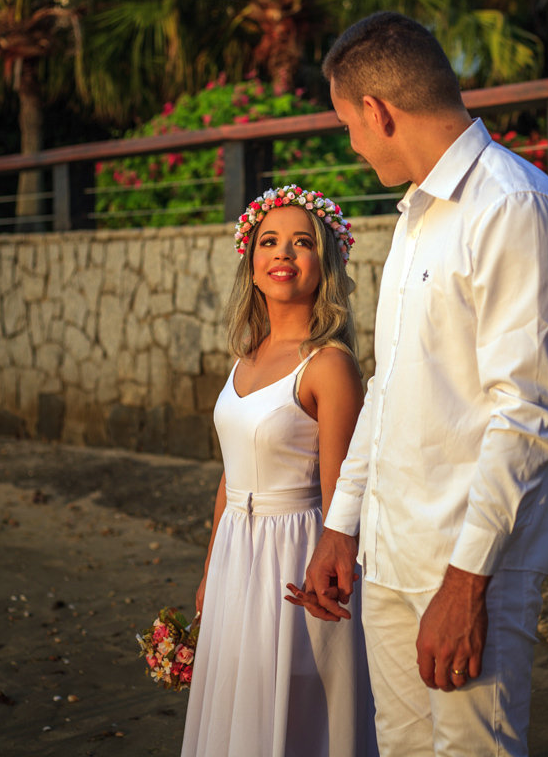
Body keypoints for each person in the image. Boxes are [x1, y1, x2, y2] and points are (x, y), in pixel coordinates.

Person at [287, 12, 548, 756]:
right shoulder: (418, 215)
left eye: (347, 125)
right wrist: (341, 525)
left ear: (378, 112)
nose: (351, 144)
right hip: (391, 551)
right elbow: (388, 389)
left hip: (469, 557)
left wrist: (466, 582)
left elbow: (531, 413)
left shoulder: (514, 206)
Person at [182, 184, 377, 757]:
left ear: (325, 262)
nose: (283, 254)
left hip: (294, 555)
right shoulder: (246, 354)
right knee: (238, 706)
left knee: (297, 708)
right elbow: (230, 476)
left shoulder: (330, 365)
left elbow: (345, 491)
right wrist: (210, 567)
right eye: (269, 241)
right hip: (235, 554)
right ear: (252, 260)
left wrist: (332, 564)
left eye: (302, 243)